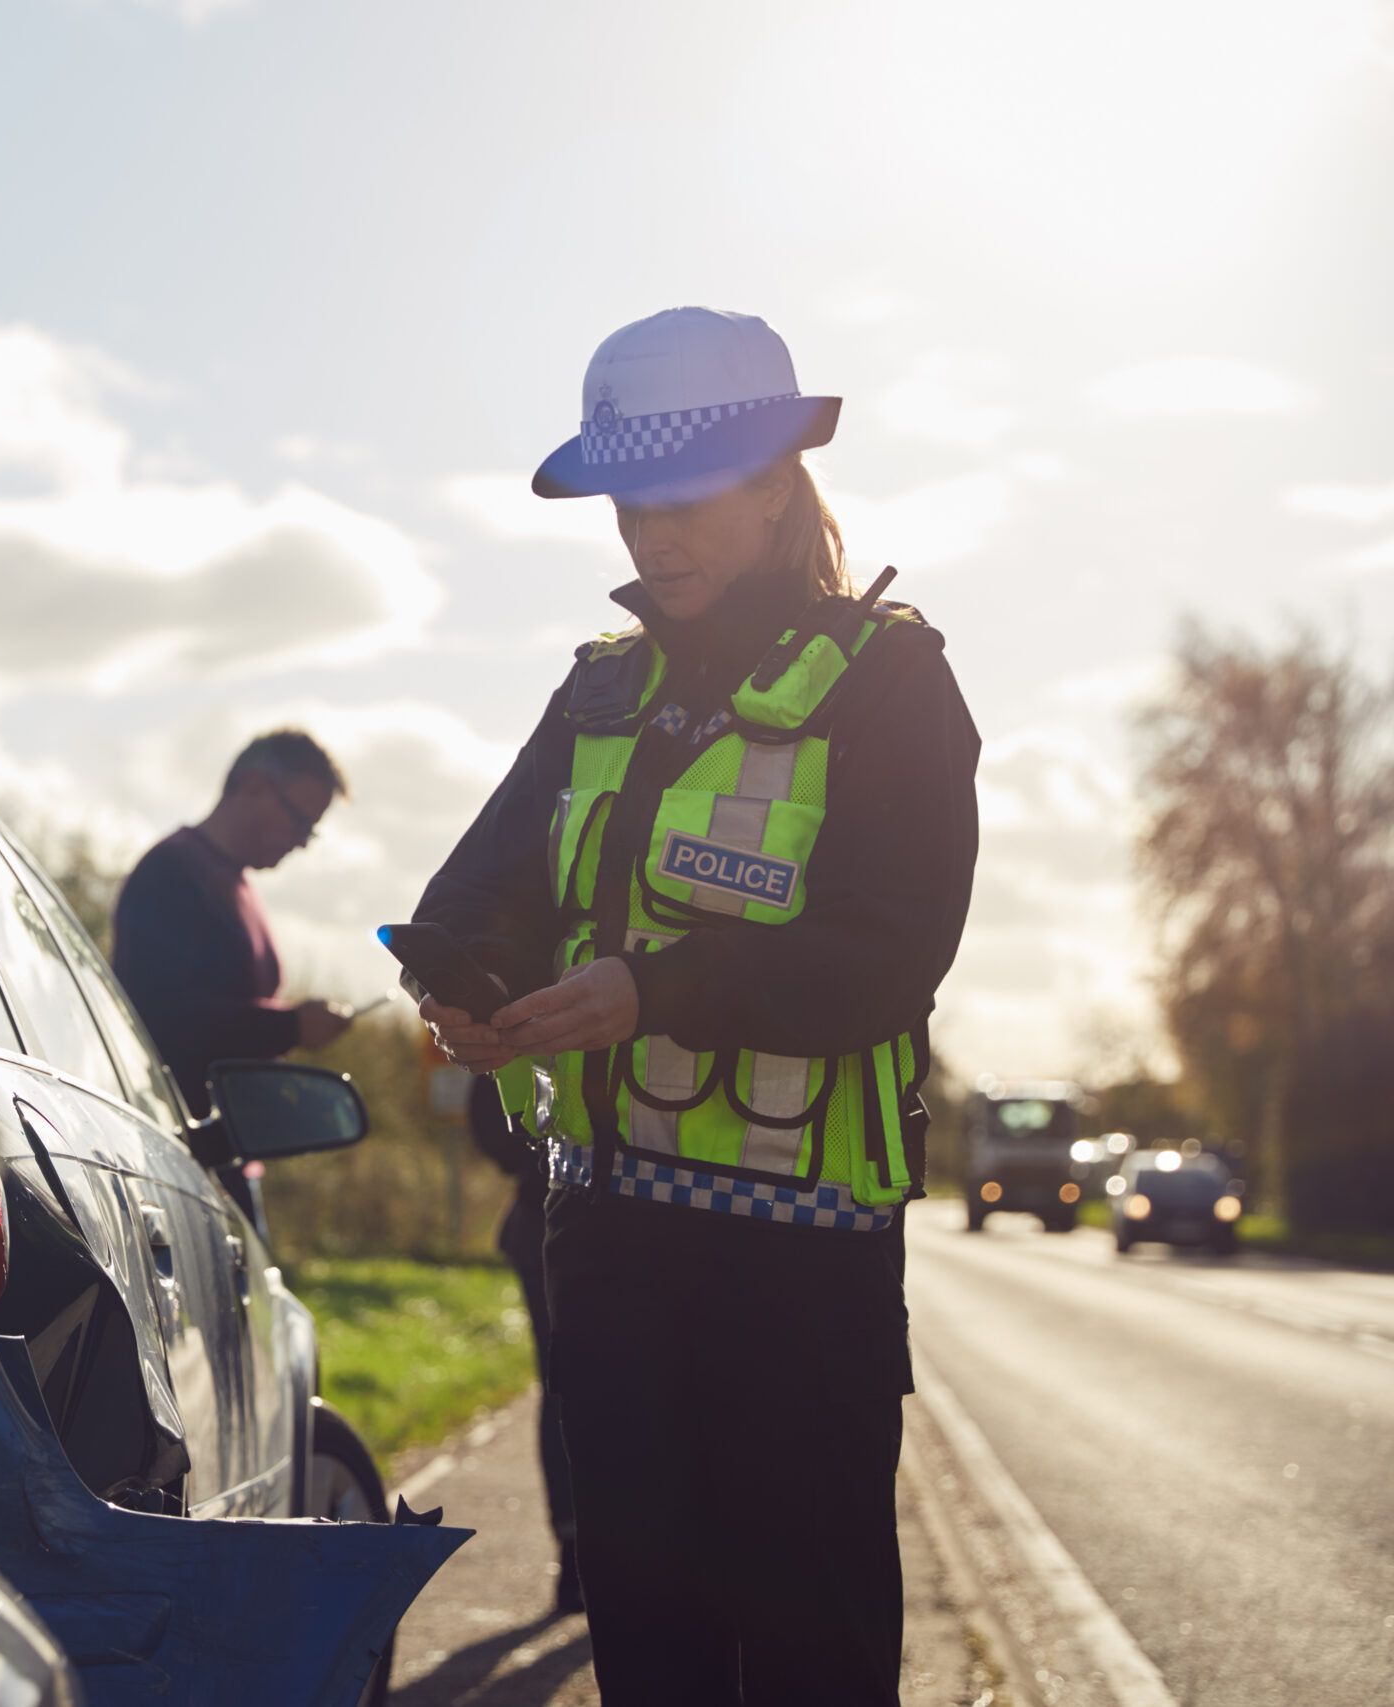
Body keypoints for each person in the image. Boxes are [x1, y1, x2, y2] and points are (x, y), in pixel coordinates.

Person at [410, 307, 979, 1706]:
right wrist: (466, 988)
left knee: (809, 1659)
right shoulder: (601, 688)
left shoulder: (891, 678)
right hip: (606, 1242)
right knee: (651, 1656)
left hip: (803, 1274)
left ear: (778, 480)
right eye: (626, 505)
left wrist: (653, 988)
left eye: (682, 499)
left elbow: (892, 950)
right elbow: (480, 891)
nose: (650, 537)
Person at [112, 729, 354, 1118]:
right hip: (179, 1147)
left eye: (311, 831)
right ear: (253, 785)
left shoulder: (237, 885)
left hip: (224, 1158)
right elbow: (157, 1013)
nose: (301, 841)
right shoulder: (170, 873)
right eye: (299, 821)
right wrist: (291, 1026)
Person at [463, 1072, 581, 1614]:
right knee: (568, 1384)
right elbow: (487, 1097)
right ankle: (578, 1547)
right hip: (550, 1215)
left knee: (571, 1384)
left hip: (559, 1214)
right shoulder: (534, 989)